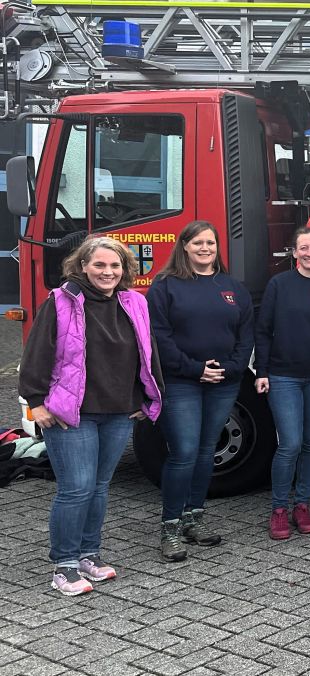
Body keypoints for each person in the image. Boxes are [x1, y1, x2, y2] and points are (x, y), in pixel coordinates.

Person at [19, 236, 163, 596]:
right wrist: (36, 403)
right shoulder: (62, 301)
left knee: (99, 487)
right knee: (76, 489)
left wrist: (145, 397)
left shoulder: (135, 302)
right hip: (71, 413)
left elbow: (148, 353)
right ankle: (64, 564)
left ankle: (88, 554)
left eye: (115, 266)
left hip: (118, 411)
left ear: (125, 269)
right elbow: (38, 351)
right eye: (99, 265)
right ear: (82, 266)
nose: (107, 272)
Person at [148, 220, 254, 562]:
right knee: (184, 452)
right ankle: (170, 528)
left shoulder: (232, 287)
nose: (205, 248)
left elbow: (245, 333)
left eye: (210, 242)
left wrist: (232, 368)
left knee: (207, 451)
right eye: (198, 243)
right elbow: (159, 337)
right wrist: (196, 369)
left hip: (224, 382)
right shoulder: (165, 287)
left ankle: (195, 518)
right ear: (185, 246)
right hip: (181, 382)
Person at [254, 228, 310, 540]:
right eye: (303, 248)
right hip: (283, 376)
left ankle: (302, 504)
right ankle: (279, 508)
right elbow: (263, 330)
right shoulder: (279, 285)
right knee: (290, 443)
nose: (309, 253)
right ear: (294, 252)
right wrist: (261, 371)